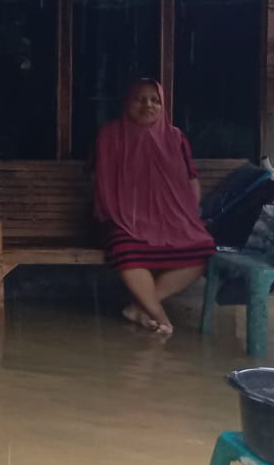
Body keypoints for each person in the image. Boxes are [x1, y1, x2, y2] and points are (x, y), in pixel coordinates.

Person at [91, 77, 214, 336]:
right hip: (123, 217)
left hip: (169, 219)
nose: (148, 105)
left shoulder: (175, 137)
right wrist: (122, 211)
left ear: (163, 105)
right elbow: (100, 180)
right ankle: (160, 316)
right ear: (127, 103)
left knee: (203, 249)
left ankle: (138, 307)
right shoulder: (110, 136)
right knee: (125, 249)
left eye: (155, 100)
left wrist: (187, 217)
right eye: (140, 99)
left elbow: (190, 181)